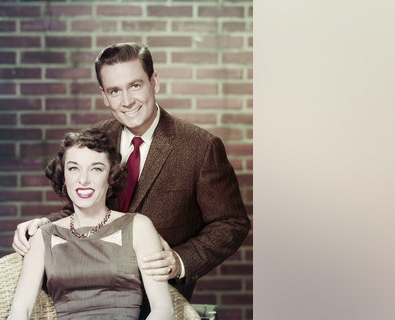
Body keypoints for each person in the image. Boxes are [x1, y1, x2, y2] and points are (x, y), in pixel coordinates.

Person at [13, 41, 251, 315]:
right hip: (94, 289)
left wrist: (179, 260)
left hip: (158, 294)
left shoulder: (200, 147)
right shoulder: (97, 140)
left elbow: (231, 223)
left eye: (135, 86)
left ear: (154, 81)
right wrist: (46, 224)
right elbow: (84, 207)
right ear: (104, 95)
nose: (127, 101)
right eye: (115, 91)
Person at [8, 128, 174, 320]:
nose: (83, 179)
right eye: (73, 168)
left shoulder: (138, 226)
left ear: (110, 177)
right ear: (63, 176)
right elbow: (20, 310)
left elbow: (163, 309)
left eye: (96, 169)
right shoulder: (42, 236)